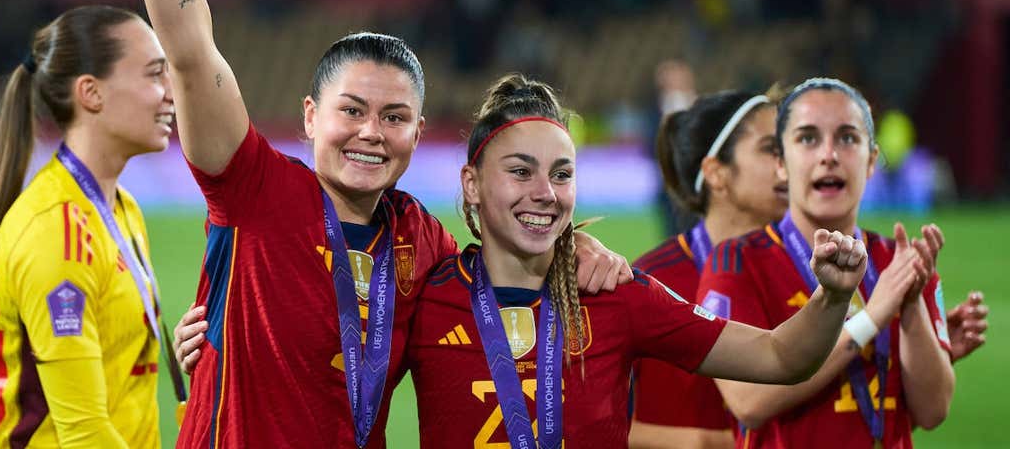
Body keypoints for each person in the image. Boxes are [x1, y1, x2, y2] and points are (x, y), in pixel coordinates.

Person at [125, 0, 630, 448]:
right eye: (352, 111)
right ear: (311, 116)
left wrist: (571, 249)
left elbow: (505, 271)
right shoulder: (253, 189)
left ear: (417, 135)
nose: (370, 133)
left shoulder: (423, 239)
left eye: (393, 118)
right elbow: (192, 50)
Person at [404, 73, 882, 448]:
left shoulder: (618, 294)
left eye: (562, 173)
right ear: (471, 184)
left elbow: (779, 356)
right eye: (520, 172)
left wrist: (834, 295)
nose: (545, 193)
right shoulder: (426, 295)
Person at [0, 6, 182, 448]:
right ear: (91, 93)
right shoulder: (55, 233)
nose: (171, 92)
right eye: (154, 75)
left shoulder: (122, 208)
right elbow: (84, 433)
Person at [698, 77, 955, 448]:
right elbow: (748, 402)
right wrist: (873, 317)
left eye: (848, 138)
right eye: (807, 138)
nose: (829, 154)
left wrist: (911, 306)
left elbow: (932, 411)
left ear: (870, 161)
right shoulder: (735, 262)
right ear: (781, 164)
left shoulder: (900, 262)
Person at [629, 89, 786, 448]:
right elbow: (587, 421)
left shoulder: (811, 272)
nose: (788, 164)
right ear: (717, 173)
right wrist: (707, 443)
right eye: (770, 149)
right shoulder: (651, 282)